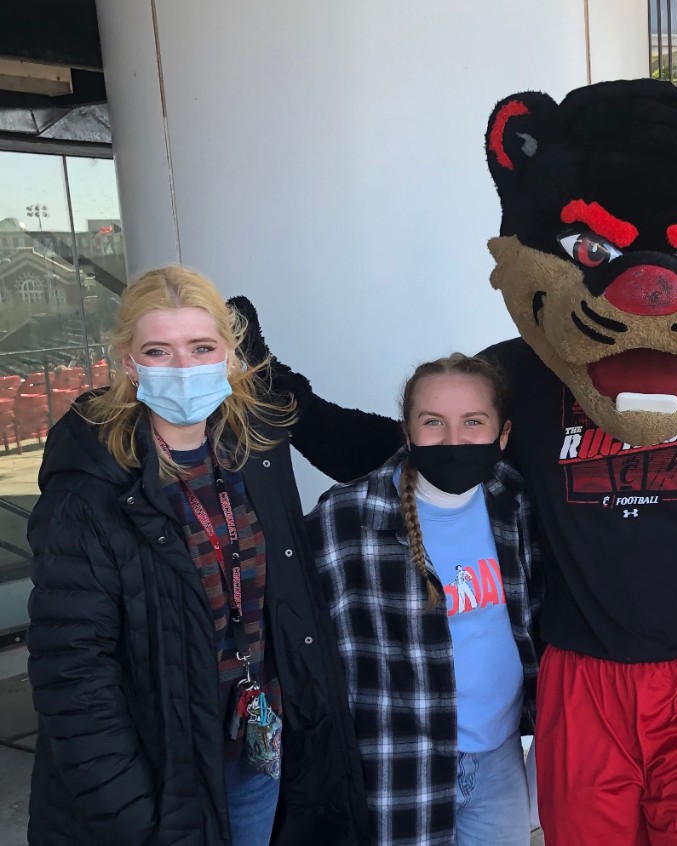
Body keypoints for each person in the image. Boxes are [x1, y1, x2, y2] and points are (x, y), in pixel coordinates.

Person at [26, 266, 368, 846]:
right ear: (130, 365)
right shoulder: (88, 488)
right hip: (158, 779)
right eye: (158, 351)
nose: (184, 369)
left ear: (228, 357)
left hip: (253, 752)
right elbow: (73, 675)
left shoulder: (253, 454)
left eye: (201, 347)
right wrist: (134, 816)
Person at [307, 354, 539, 846]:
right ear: (407, 432)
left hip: (499, 757)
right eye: (433, 423)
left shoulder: (513, 503)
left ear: (503, 434)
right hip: (397, 762)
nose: (453, 440)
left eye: (473, 422)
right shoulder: (346, 518)